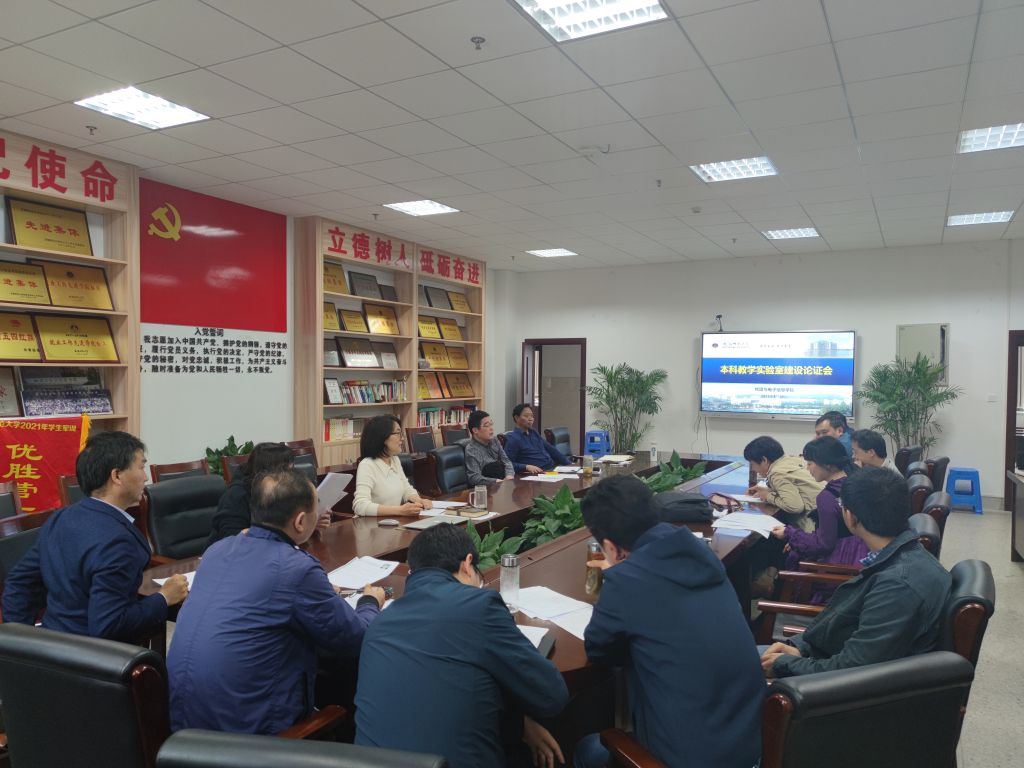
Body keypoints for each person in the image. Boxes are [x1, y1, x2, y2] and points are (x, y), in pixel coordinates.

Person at [168, 469, 384, 734]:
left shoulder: (217, 550)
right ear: (301, 521)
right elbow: (354, 638)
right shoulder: (297, 569)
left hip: (185, 724)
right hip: (249, 735)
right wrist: (369, 602)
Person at [574, 475, 763, 768]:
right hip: (754, 744)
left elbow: (599, 650)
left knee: (588, 748)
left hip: (689, 757)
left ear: (610, 548)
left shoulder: (627, 580)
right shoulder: (703, 554)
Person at [355, 523, 569, 768]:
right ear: (468, 565)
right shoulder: (478, 606)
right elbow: (551, 696)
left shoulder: (379, 624)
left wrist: (518, 723)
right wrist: (519, 721)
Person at [761, 467, 952, 678]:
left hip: (837, 687)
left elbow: (852, 670)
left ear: (850, 516)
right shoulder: (898, 555)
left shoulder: (898, 585)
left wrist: (785, 664)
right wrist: (801, 649)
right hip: (829, 657)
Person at [2, 431, 188, 641]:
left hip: (51, 643)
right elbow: (110, 625)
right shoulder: (118, 541)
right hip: (94, 655)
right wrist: (163, 598)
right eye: (141, 467)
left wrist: (23, 643)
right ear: (117, 476)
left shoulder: (62, 517)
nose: (145, 477)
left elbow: (19, 584)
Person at [769, 437, 867, 602]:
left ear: (827, 465)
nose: (807, 468)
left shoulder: (827, 497)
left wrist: (790, 534)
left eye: (810, 463)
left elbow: (824, 544)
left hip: (841, 565)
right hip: (861, 553)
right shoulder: (855, 482)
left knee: (789, 556)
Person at [207, 441, 295, 545]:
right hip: (229, 551)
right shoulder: (236, 495)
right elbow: (231, 538)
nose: (292, 476)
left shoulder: (279, 490)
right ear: (271, 471)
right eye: (287, 471)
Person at [352, 415, 432, 516]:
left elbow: (406, 489)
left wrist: (419, 501)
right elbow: (360, 506)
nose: (402, 438)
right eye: (398, 433)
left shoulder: (395, 460)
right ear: (383, 437)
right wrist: (400, 510)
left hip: (393, 521)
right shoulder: (367, 465)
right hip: (371, 524)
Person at [742, 435, 823, 517]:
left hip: (815, 520)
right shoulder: (793, 460)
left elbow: (795, 507)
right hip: (824, 512)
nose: (753, 469)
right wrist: (769, 491)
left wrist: (767, 496)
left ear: (764, 460)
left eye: (752, 464)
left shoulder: (778, 473)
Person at [503, 403, 572, 474]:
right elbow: (507, 464)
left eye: (532, 416)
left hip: (551, 470)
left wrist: (570, 465)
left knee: (572, 478)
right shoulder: (513, 438)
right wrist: (526, 467)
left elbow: (551, 449)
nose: (530, 419)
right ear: (517, 418)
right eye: (526, 416)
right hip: (537, 474)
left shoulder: (533, 432)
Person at [464, 410, 514, 486]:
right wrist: (496, 481)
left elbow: (506, 461)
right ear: (475, 430)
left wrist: (509, 476)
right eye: (487, 425)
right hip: (487, 488)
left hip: (503, 484)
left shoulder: (494, 440)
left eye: (491, 424)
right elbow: (474, 477)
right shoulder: (472, 449)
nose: (491, 428)